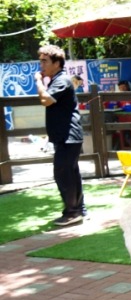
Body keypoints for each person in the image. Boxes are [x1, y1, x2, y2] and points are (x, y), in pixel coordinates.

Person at [34, 45, 86, 226]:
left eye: (45, 61)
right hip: (66, 136)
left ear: (57, 63)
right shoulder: (58, 80)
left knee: (63, 173)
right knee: (71, 172)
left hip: (68, 135)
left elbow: (45, 100)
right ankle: (79, 209)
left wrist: (38, 81)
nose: (41, 65)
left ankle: (72, 213)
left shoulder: (62, 80)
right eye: (40, 61)